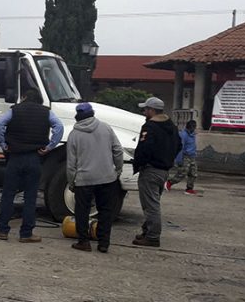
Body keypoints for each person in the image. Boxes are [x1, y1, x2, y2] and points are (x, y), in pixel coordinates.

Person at [0, 89, 64, 242]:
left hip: (15, 157)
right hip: (34, 157)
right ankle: (26, 234)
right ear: (39, 99)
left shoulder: (14, 111)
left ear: (24, 97)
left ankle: (2, 230)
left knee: (8, 194)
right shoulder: (47, 112)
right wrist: (50, 146)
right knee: (30, 197)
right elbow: (59, 127)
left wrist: (3, 144)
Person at [65, 103, 124, 253]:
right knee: (105, 210)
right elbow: (118, 150)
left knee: (82, 211)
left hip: (84, 180)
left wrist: (72, 182)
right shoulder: (106, 128)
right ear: (92, 113)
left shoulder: (74, 135)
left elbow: (71, 164)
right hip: (107, 178)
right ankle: (104, 243)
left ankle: (83, 242)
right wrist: (117, 170)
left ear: (77, 115)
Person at [132, 97, 180, 247]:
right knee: (153, 202)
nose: (144, 112)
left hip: (150, 170)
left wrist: (138, 164)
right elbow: (179, 145)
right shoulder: (171, 126)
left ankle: (152, 237)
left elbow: (144, 149)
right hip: (164, 170)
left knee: (151, 205)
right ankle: (146, 231)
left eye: (146, 109)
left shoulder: (150, 127)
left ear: (152, 110)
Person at [166, 120, 198, 195]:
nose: (193, 129)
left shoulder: (193, 134)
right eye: (192, 127)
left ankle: (189, 188)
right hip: (185, 156)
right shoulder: (183, 135)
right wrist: (179, 160)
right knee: (183, 172)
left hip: (192, 156)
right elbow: (180, 148)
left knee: (193, 173)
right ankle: (169, 182)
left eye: (194, 127)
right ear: (189, 127)